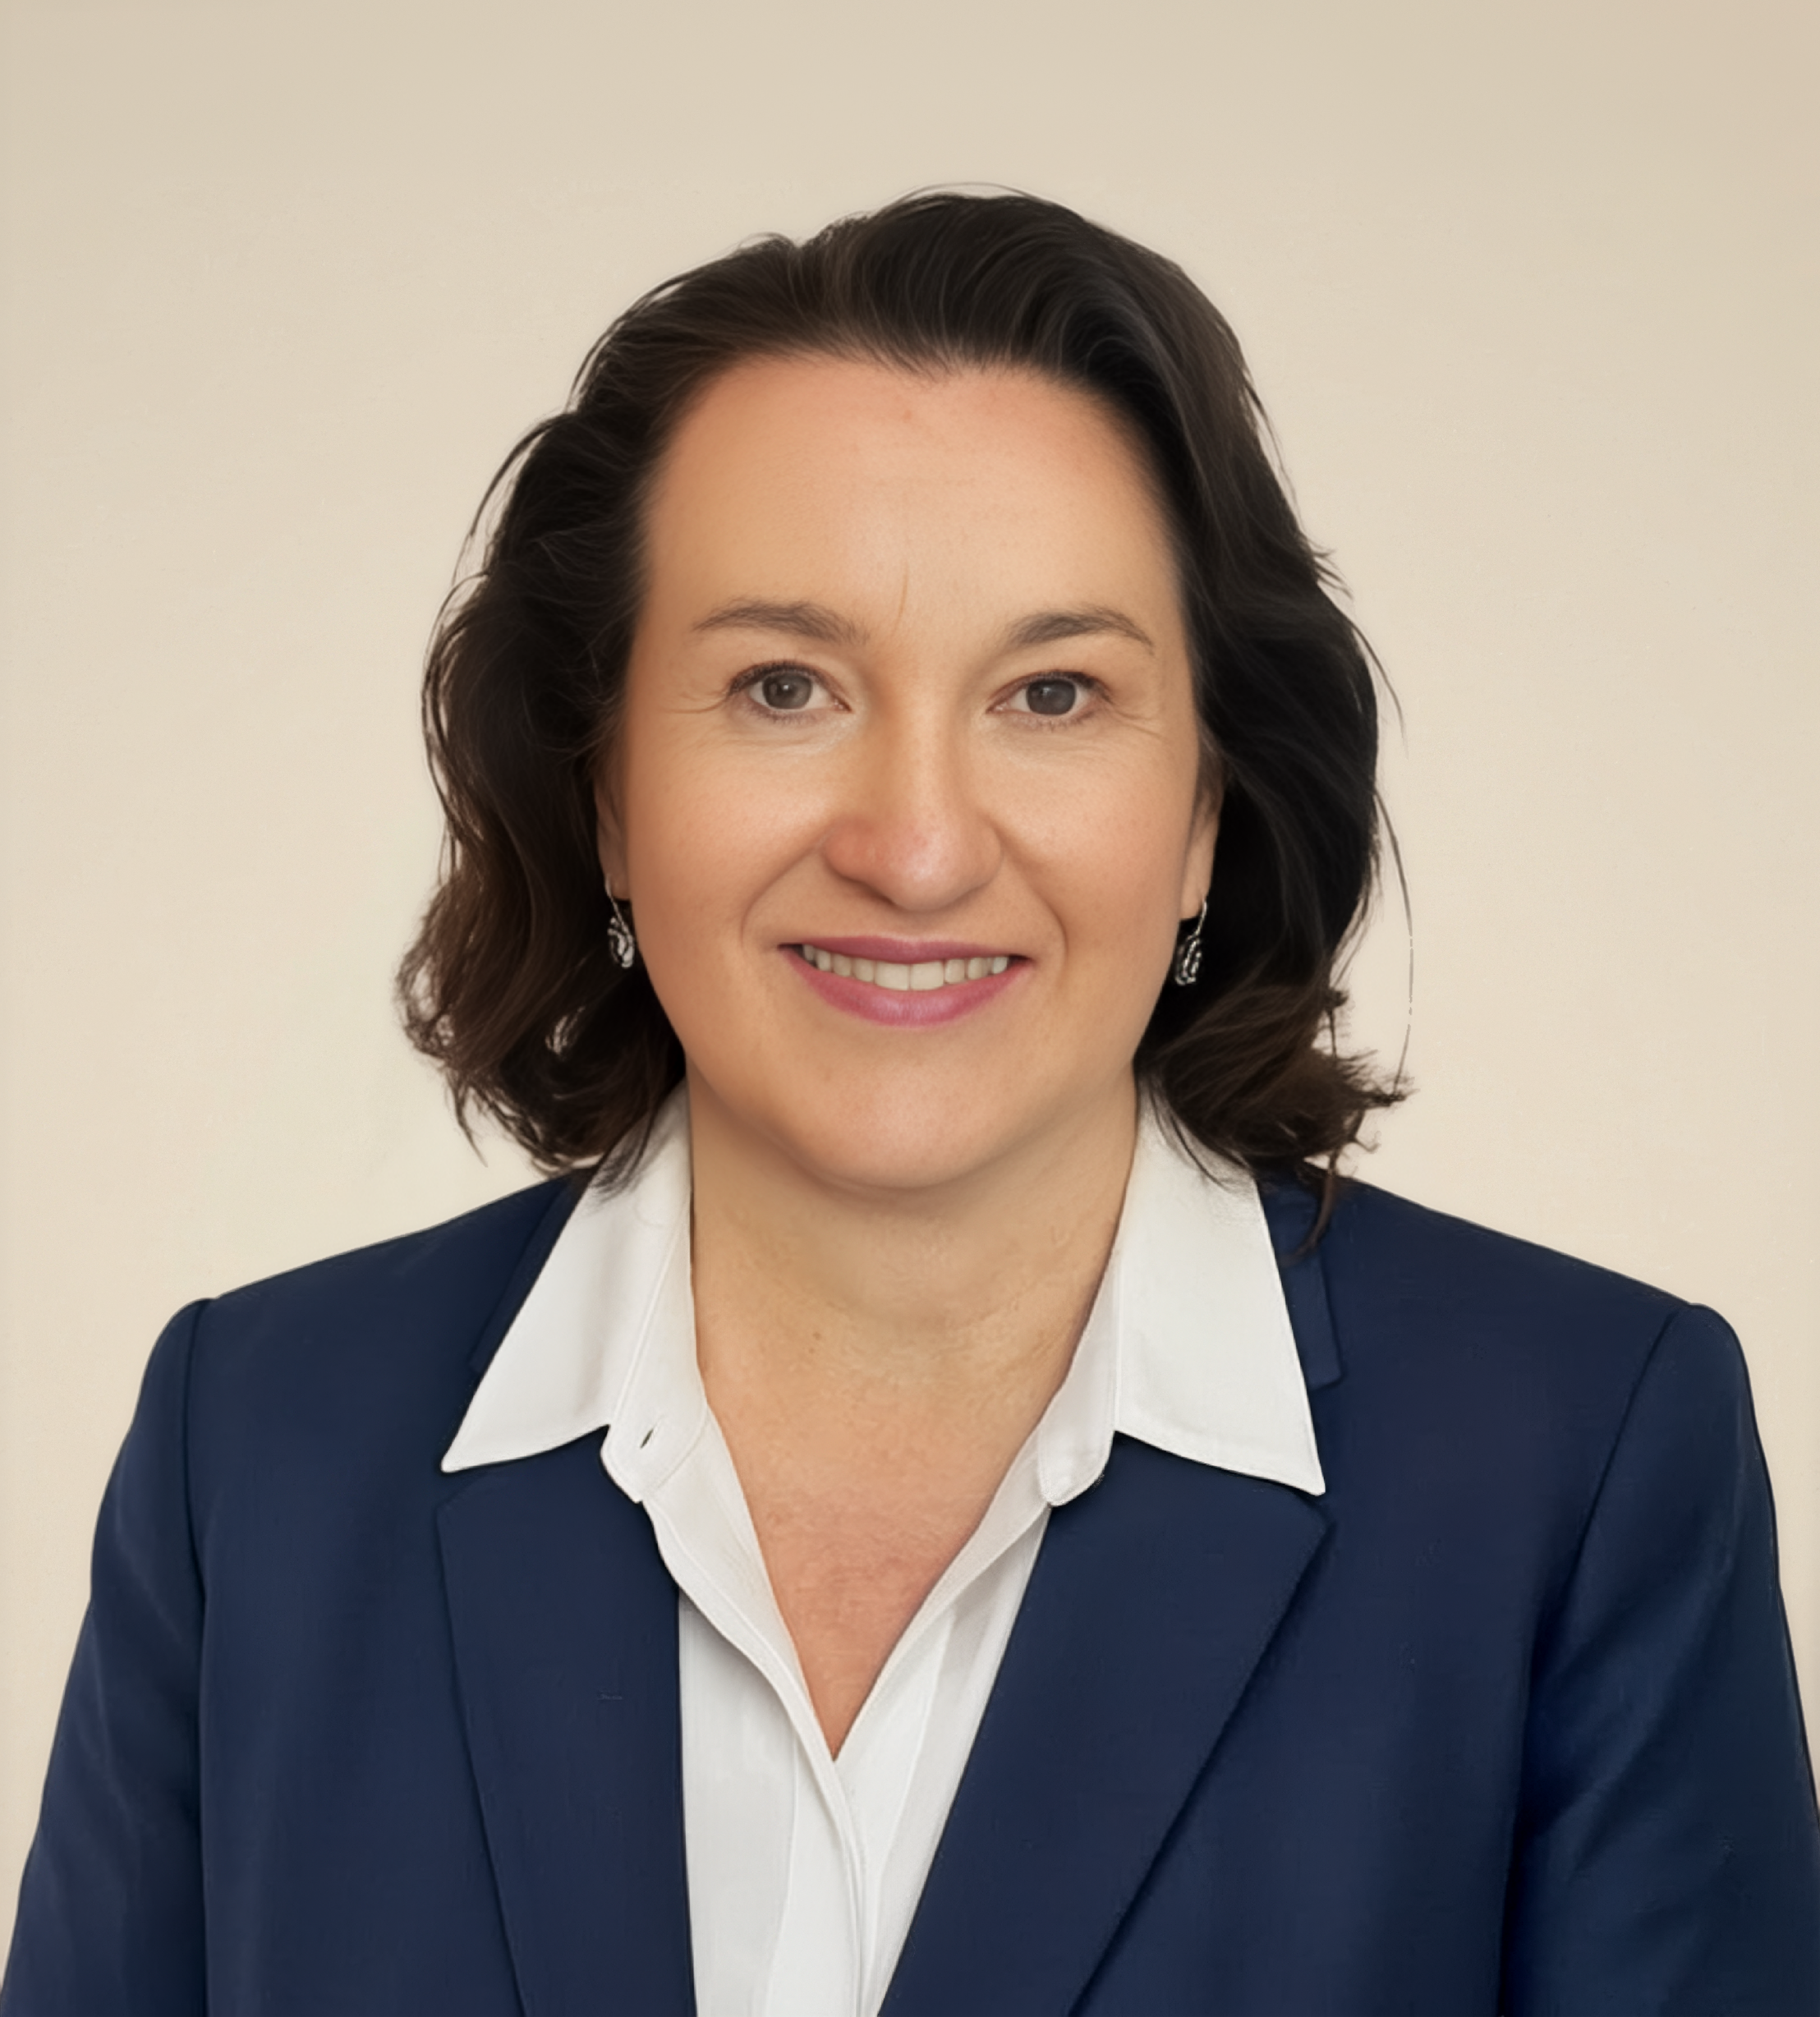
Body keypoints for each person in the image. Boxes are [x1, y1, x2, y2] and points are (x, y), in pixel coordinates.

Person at [5, 191, 1817, 2016]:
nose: (918, 846)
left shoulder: (1577, 1467)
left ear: (1206, 810)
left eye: (1054, 692)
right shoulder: (257, 1453)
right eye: (784, 686)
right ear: (606, 790)